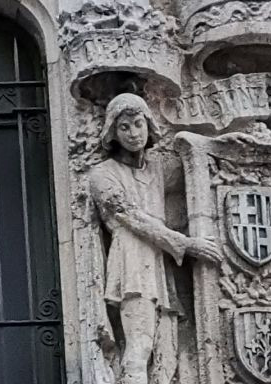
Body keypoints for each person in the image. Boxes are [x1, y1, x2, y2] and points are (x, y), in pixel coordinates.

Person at [88, 93, 222, 384]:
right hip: (133, 260)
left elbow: (198, 167)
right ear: (113, 132)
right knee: (140, 347)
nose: (133, 133)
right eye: (124, 127)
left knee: (168, 353)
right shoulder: (103, 175)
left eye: (138, 124)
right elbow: (132, 218)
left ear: (148, 124)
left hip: (159, 262)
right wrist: (186, 244)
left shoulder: (157, 168)